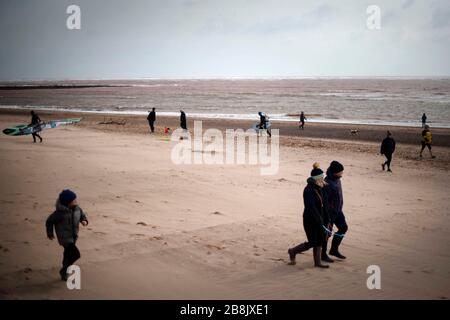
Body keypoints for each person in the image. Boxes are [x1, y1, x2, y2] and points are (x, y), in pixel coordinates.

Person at [287, 163, 330, 268]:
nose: (323, 180)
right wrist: (319, 221)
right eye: (321, 178)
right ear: (316, 179)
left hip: (320, 218)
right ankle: (293, 251)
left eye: (323, 177)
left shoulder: (321, 187)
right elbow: (311, 207)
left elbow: (324, 205)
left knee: (320, 239)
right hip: (310, 220)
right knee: (312, 242)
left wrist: (326, 219)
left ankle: (317, 263)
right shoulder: (308, 190)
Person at [46, 190, 88, 281]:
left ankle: (64, 270)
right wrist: (50, 233)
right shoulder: (60, 213)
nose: (76, 201)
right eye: (74, 200)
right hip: (65, 238)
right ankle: (64, 270)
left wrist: (84, 220)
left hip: (73, 236)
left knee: (68, 254)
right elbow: (49, 221)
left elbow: (81, 214)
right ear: (68, 203)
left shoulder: (77, 208)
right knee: (76, 255)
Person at [324, 161, 348, 260]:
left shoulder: (337, 179)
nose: (342, 173)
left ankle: (334, 249)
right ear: (335, 172)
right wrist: (329, 213)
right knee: (326, 234)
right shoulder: (327, 183)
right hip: (329, 213)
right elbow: (325, 201)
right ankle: (323, 254)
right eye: (340, 172)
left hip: (338, 211)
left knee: (343, 228)